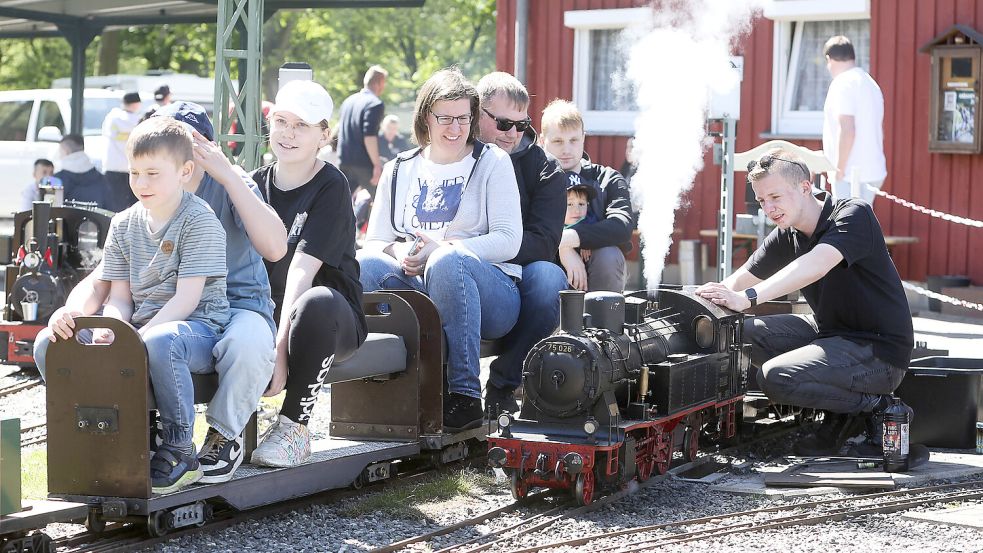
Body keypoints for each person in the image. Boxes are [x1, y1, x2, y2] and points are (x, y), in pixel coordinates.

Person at [38, 103, 287, 483]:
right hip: (160, 313)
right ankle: (120, 428)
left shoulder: (220, 191)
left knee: (246, 344)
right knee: (61, 342)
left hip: (235, 304)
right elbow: (107, 282)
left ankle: (223, 434)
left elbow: (275, 249)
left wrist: (229, 175)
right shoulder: (148, 196)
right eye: (140, 167)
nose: (144, 176)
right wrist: (74, 313)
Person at [695, 148, 913, 456]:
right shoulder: (788, 232)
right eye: (761, 200)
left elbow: (815, 264)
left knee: (775, 377)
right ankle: (840, 415)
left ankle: (880, 407)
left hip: (879, 352)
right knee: (740, 333)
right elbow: (741, 278)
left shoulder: (852, 214)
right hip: (830, 335)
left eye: (775, 197)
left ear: (805, 187)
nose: (768, 208)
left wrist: (747, 298)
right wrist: (705, 299)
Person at [358, 68, 523, 431]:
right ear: (425, 118)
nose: (455, 128)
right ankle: (383, 386)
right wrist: (403, 253)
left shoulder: (493, 162)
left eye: (463, 118)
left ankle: (465, 395)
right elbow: (376, 241)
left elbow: (509, 240)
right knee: (364, 263)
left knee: (448, 261)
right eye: (445, 118)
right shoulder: (398, 169)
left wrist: (442, 249)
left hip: (489, 292)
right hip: (419, 284)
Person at [250, 80, 367, 467]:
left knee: (315, 303)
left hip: (330, 320)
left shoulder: (331, 185)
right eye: (281, 121)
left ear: (323, 135)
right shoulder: (255, 184)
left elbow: (300, 275)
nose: (288, 133)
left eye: (302, 125)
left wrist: (279, 350)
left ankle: (294, 429)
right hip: (269, 310)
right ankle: (220, 433)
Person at [475, 72, 567, 416]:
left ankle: (503, 383)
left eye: (521, 124)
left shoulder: (546, 170)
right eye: (502, 124)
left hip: (516, 270)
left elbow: (544, 243)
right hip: (459, 263)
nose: (512, 134)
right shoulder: (456, 156)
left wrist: (486, 248)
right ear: (477, 113)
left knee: (549, 280)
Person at [540, 99, 635, 293]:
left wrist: (567, 240)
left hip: (597, 272)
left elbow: (622, 225)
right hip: (545, 275)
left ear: (583, 138)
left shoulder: (608, 179)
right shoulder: (533, 181)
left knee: (609, 255)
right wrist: (562, 250)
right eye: (558, 141)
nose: (566, 150)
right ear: (543, 141)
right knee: (541, 272)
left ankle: (603, 312)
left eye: (573, 140)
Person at [822, 35, 886, 205]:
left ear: (829, 59)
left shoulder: (842, 83)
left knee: (846, 220)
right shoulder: (870, 83)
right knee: (863, 218)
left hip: (851, 174)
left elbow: (847, 129)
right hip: (873, 169)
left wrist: (839, 169)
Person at [337, 65, 388, 197]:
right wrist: (377, 165)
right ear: (380, 83)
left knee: (342, 202)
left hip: (344, 160)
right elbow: (369, 136)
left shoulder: (348, 102)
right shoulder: (375, 104)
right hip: (364, 163)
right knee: (383, 200)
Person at [102, 91, 143, 212]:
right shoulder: (139, 122)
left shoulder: (111, 118)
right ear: (136, 104)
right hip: (133, 169)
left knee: (114, 206)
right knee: (136, 206)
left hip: (112, 167)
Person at [53, 135, 111, 209]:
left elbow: (53, 209)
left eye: (60, 152)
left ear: (66, 151)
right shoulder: (101, 179)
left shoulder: (58, 180)